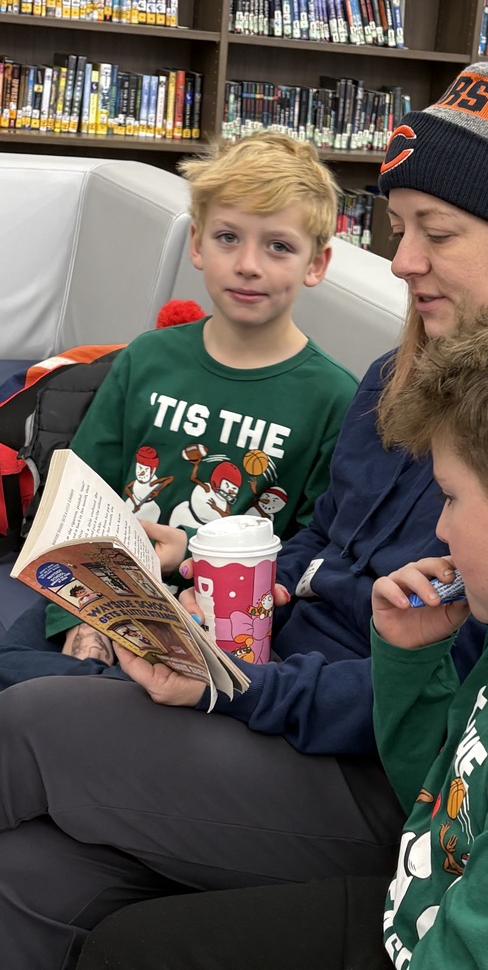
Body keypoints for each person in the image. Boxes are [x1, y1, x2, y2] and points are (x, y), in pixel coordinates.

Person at [0, 0, 488, 970]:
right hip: (271, 699)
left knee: (23, 725)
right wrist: (222, 596)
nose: (401, 263)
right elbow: (319, 553)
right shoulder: (392, 378)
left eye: (435, 232)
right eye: (397, 227)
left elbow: (467, 696)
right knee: (32, 876)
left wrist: (243, 692)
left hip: (382, 776)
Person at [74, 299, 488, 970]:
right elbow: (438, 800)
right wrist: (408, 656)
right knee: (126, 942)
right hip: (427, 909)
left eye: (452, 498)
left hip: (446, 939)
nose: (441, 530)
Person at [43, 131, 360, 660]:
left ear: (317, 264)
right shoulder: (147, 358)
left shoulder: (333, 397)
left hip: (225, 632)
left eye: (278, 246)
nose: (248, 265)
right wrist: (79, 618)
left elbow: (313, 548)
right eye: (228, 238)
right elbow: (80, 496)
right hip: (99, 601)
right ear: (196, 243)